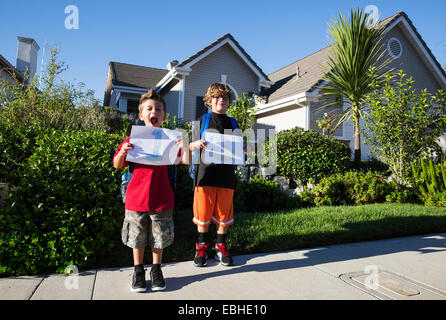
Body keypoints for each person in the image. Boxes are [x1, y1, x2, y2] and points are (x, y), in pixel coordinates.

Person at [113, 88, 189, 293]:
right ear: (141, 115)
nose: (153, 111)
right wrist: (123, 152)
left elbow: (185, 162)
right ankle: (138, 271)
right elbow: (117, 164)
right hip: (135, 198)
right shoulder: (132, 140)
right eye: (149, 108)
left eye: (158, 109)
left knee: (159, 238)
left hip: (162, 198)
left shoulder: (171, 140)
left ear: (163, 115)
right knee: (136, 237)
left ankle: (156, 270)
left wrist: (187, 146)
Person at [189, 83, 239, 267]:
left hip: (226, 176)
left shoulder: (233, 122)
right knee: (203, 213)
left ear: (229, 102)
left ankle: (220, 246)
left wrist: (242, 150)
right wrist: (196, 144)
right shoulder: (202, 120)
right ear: (209, 100)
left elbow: (236, 149)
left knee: (223, 214)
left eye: (224, 97)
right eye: (217, 97)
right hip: (205, 174)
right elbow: (189, 145)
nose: (221, 100)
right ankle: (201, 247)